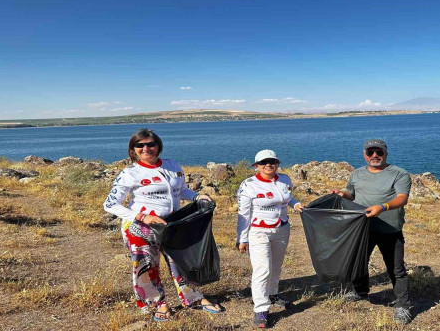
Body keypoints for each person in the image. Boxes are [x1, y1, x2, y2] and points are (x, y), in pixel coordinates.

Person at [103, 128, 222, 322]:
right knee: (147, 265)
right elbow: (110, 204)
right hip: (141, 228)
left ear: (158, 145)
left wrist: (197, 196)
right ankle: (157, 303)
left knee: (182, 260)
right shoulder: (130, 173)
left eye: (151, 144)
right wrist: (141, 216)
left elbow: (181, 190)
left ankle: (193, 298)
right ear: (133, 149)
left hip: (172, 224)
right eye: (140, 145)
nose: (146, 148)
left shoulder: (172, 165)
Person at [332, 139, 413, 324]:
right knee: (359, 262)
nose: (375, 156)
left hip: (389, 229)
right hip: (361, 228)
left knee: (396, 269)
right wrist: (343, 194)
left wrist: (383, 207)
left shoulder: (399, 174)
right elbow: (352, 194)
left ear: (386, 153)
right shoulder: (357, 173)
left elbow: (402, 199)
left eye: (379, 152)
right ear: (365, 155)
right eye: (371, 152)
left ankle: (403, 305)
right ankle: (360, 292)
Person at [236, 150, 304, 328]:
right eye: (264, 162)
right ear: (256, 165)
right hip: (258, 231)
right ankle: (261, 309)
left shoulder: (285, 179)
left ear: (278, 163)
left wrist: (295, 204)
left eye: (272, 161)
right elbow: (243, 213)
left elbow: (287, 197)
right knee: (262, 270)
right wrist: (242, 238)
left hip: (282, 228)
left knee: (276, 265)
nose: (268, 165)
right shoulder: (248, 185)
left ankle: (273, 294)